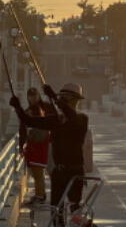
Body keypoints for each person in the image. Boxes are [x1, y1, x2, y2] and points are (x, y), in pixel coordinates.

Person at [10, 82, 90, 211]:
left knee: (75, 207)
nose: (63, 100)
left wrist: (54, 97)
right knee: (55, 209)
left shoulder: (81, 119)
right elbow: (28, 121)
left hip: (75, 171)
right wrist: (17, 107)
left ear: (75, 100)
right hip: (58, 171)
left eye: (66, 97)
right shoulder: (57, 120)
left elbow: (72, 117)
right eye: (62, 97)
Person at [20, 87, 55, 203]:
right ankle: (40, 193)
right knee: (35, 171)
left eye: (35, 95)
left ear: (39, 96)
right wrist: (21, 145)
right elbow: (22, 129)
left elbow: (55, 116)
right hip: (32, 145)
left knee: (38, 171)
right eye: (30, 95)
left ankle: (40, 196)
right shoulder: (27, 111)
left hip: (42, 144)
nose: (33, 98)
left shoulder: (46, 107)